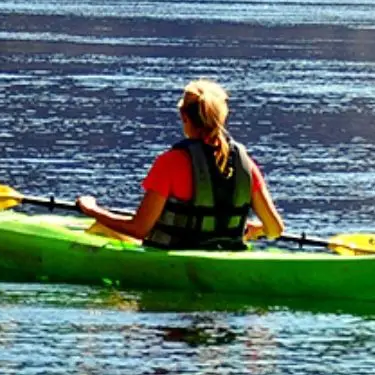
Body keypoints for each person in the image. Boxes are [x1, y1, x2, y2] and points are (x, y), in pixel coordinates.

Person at [76, 77, 284, 250]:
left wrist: (91, 209)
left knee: (100, 228)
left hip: (174, 253)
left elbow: (139, 229)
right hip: (223, 253)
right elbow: (275, 229)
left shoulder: (171, 162)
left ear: (184, 116)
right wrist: (255, 229)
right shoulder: (245, 163)